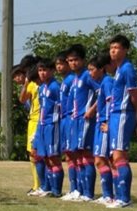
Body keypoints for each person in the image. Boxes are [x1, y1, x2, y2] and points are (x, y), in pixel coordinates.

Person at [106, 35, 137, 209]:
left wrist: (135, 116)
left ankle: (125, 198)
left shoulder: (127, 68)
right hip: (115, 115)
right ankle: (119, 196)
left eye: (117, 48)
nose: (113, 51)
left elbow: (135, 94)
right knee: (115, 157)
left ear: (125, 50)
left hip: (122, 113)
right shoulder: (119, 69)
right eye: (111, 48)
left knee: (120, 156)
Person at [64, 44, 97, 202]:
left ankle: (88, 193)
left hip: (85, 121)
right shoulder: (74, 79)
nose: (73, 63)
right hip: (75, 121)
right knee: (76, 156)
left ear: (83, 60)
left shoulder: (87, 76)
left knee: (86, 155)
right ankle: (78, 190)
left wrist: (92, 110)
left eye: (76, 60)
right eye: (70, 60)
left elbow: (102, 92)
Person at [13, 55, 44, 195]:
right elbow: (23, 99)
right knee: (34, 154)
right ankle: (38, 185)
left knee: (36, 154)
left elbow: (22, 98)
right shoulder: (35, 83)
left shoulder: (36, 83)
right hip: (34, 120)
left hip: (38, 120)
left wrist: (26, 83)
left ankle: (40, 186)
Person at [34, 58, 64, 197]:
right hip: (42, 125)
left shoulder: (55, 87)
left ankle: (57, 191)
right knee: (44, 157)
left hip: (52, 125)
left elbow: (62, 106)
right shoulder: (41, 88)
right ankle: (48, 188)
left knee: (53, 158)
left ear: (52, 71)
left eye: (45, 70)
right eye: (40, 70)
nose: (42, 73)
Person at [88, 53, 115, 205]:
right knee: (99, 160)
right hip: (99, 124)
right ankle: (107, 195)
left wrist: (109, 123)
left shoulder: (107, 82)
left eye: (92, 69)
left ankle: (109, 195)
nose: (90, 73)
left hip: (105, 124)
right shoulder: (101, 84)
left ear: (101, 69)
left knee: (103, 159)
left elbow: (112, 102)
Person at [56, 51, 78, 200]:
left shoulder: (71, 79)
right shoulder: (64, 81)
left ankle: (78, 189)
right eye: (57, 64)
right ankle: (73, 188)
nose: (59, 66)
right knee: (69, 155)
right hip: (64, 119)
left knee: (75, 155)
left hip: (71, 118)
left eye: (62, 63)